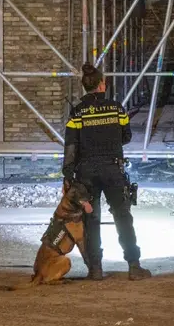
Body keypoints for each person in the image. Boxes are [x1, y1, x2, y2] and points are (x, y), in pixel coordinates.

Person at [61, 62, 152, 281]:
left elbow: (71, 145)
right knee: (123, 217)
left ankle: (95, 269)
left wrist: (68, 175)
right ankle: (134, 266)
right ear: (102, 85)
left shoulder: (78, 112)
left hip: (87, 172)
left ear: (86, 87)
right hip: (113, 170)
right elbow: (126, 137)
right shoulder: (116, 108)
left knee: (91, 220)